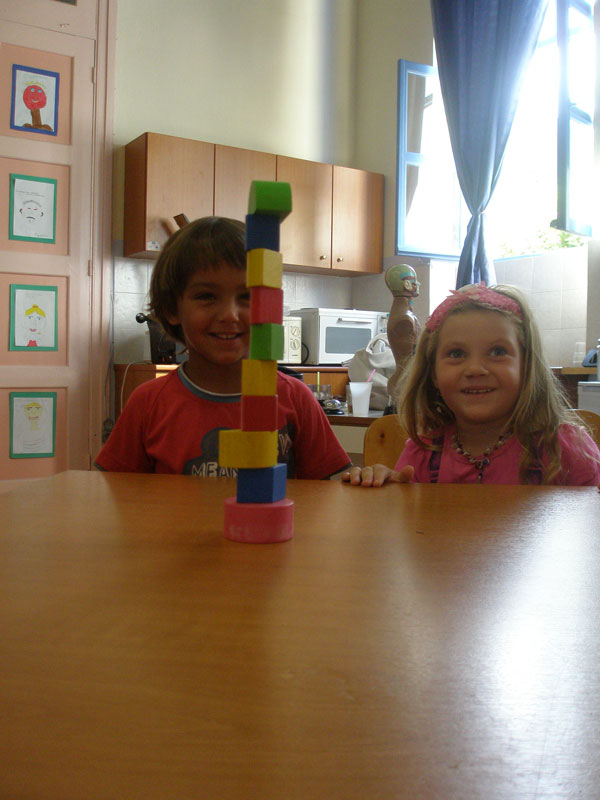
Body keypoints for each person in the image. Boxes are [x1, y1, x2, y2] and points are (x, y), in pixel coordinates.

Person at [96, 216, 351, 478]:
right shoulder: (148, 403)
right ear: (172, 309)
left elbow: (335, 482)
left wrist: (363, 479)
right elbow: (111, 489)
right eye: (206, 296)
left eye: (247, 296)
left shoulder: (295, 397)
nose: (229, 314)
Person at [343, 283, 600, 487]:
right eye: (456, 354)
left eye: (498, 351)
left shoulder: (566, 450)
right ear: (433, 373)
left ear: (526, 365)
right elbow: (408, 524)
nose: (475, 369)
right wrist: (386, 485)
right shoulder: (423, 453)